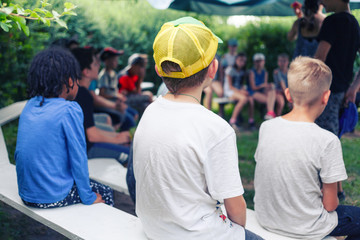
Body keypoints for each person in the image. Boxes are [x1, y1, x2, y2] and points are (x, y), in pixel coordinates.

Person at [133, 16, 263, 240]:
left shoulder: (150, 111)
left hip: (154, 229)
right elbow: (236, 211)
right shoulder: (216, 129)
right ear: (213, 68)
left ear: (157, 69)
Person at [254, 56, 360, 239]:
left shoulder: (267, 127)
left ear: (288, 94)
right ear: (326, 97)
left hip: (268, 219)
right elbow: (330, 205)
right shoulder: (327, 140)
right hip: (305, 227)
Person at [15, 47, 113, 208]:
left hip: (27, 194)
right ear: (69, 81)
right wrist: (88, 197)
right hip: (51, 196)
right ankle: (96, 231)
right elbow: (78, 157)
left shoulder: (31, 104)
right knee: (105, 192)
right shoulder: (69, 110)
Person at [314, 0, 360, 199]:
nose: (321, 1)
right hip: (341, 92)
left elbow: (319, 60)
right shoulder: (354, 24)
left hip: (324, 92)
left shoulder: (332, 22)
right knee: (332, 138)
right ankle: (337, 189)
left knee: (323, 141)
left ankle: (331, 191)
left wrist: (305, 89)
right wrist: (353, 88)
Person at [71, 47, 131, 165]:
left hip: (83, 146)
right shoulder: (83, 95)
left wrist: (117, 135)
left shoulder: (79, 92)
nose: (98, 66)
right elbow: (92, 136)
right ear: (86, 71)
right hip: (86, 150)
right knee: (129, 155)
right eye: (95, 64)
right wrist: (117, 139)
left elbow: (88, 129)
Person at [223, 53, 251, 129]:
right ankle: (233, 121)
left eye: (244, 61)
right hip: (229, 92)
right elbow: (231, 86)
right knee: (243, 98)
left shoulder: (243, 71)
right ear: (236, 60)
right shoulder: (230, 70)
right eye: (240, 60)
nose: (242, 63)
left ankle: (250, 120)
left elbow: (240, 85)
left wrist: (243, 90)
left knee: (250, 98)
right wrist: (241, 92)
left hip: (237, 91)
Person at [248, 53, 276, 120]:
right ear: (254, 62)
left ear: (264, 62)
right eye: (257, 61)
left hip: (262, 91)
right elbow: (253, 87)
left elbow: (265, 86)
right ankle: (271, 113)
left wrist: (269, 86)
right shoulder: (251, 72)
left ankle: (270, 113)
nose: (259, 63)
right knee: (269, 100)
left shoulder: (265, 72)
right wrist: (263, 85)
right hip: (253, 92)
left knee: (272, 90)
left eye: (261, 61)